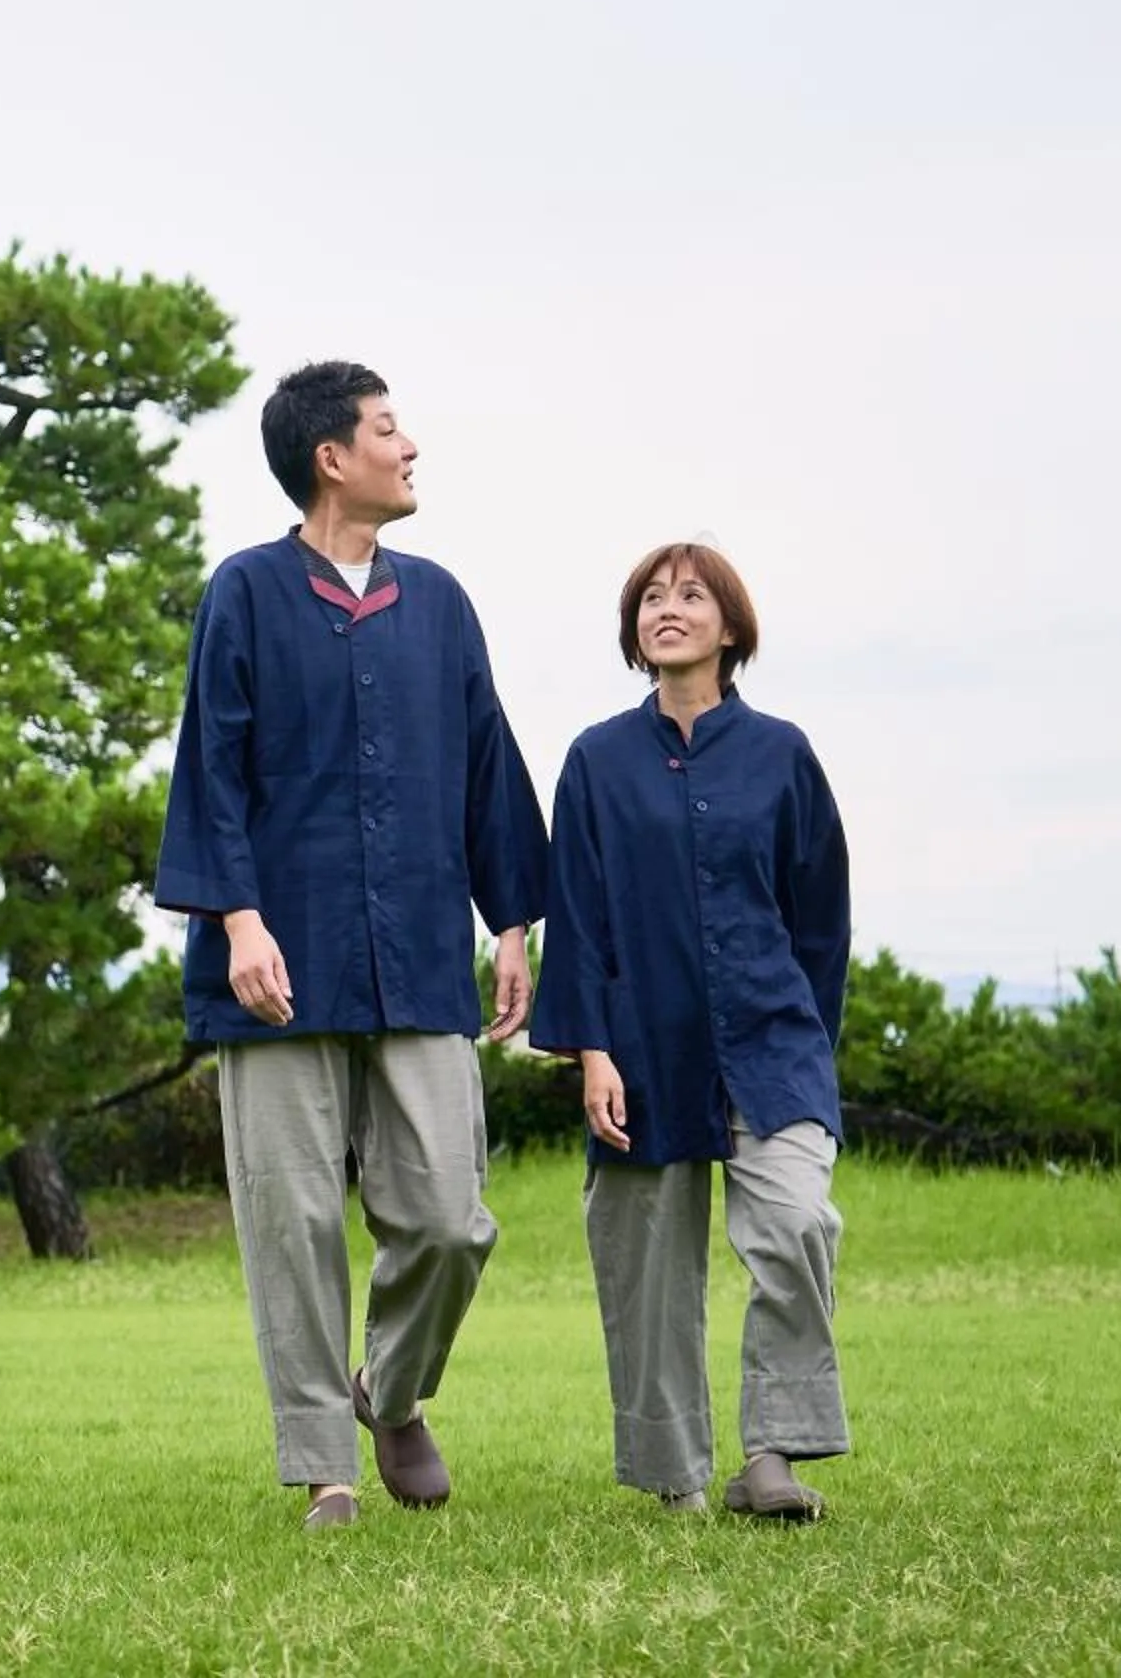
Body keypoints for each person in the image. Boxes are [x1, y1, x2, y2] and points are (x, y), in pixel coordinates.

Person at [157, 360, 547, 1532]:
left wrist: (513, 923)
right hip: (277, 957)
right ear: (333, 456)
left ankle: (392, 1386)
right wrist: (237, 918)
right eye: (389, 428)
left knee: (446, 1216)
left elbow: (488, 763)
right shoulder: (248, 592)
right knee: (293, 1218)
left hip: (422, 953)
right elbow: (211, 766)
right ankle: (325, 1459)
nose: (409, 445)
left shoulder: (440, 602)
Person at [528, 540, 853, 1521]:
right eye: (651, 597)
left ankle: (773, 1455)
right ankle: (677, 1475)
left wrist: (807, 1042)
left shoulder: (782, 753)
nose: (668, 607)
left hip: (772, 1040)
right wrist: (593, 1051)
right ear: (635, 630)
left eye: (691, 594)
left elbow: (822, 918)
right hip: (640, 1050)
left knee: (797, 1223)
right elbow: (577, 916)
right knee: (647, 1273)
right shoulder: (595, 759)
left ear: (730, 626)